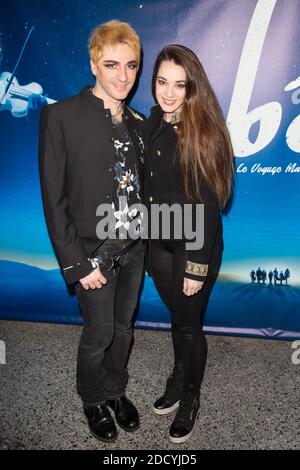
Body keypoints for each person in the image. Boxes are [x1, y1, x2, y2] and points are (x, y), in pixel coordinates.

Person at [39, 20, 145, 443]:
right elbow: (54, 199)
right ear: (93, 65)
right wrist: (77, 264)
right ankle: (92, 397)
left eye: (132, 65)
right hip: (91, 253)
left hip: (136, 249)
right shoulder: (59, 116)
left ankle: (115, 390)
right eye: (111, 64)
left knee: (124, 329)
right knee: (98, 333)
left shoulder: (139, 120)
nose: (123, 76)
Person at [142, 45, 233, 443]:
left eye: (179, 85)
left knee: (188, 324)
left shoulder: (205, 132)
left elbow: (209, 205)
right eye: (162, 82)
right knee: (177, 320)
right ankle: (179, 376)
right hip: (159, 243)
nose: (169, 92)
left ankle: (191, 396)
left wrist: (196, 264)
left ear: (192, 87)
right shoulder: (150, 122)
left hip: (193, 246)